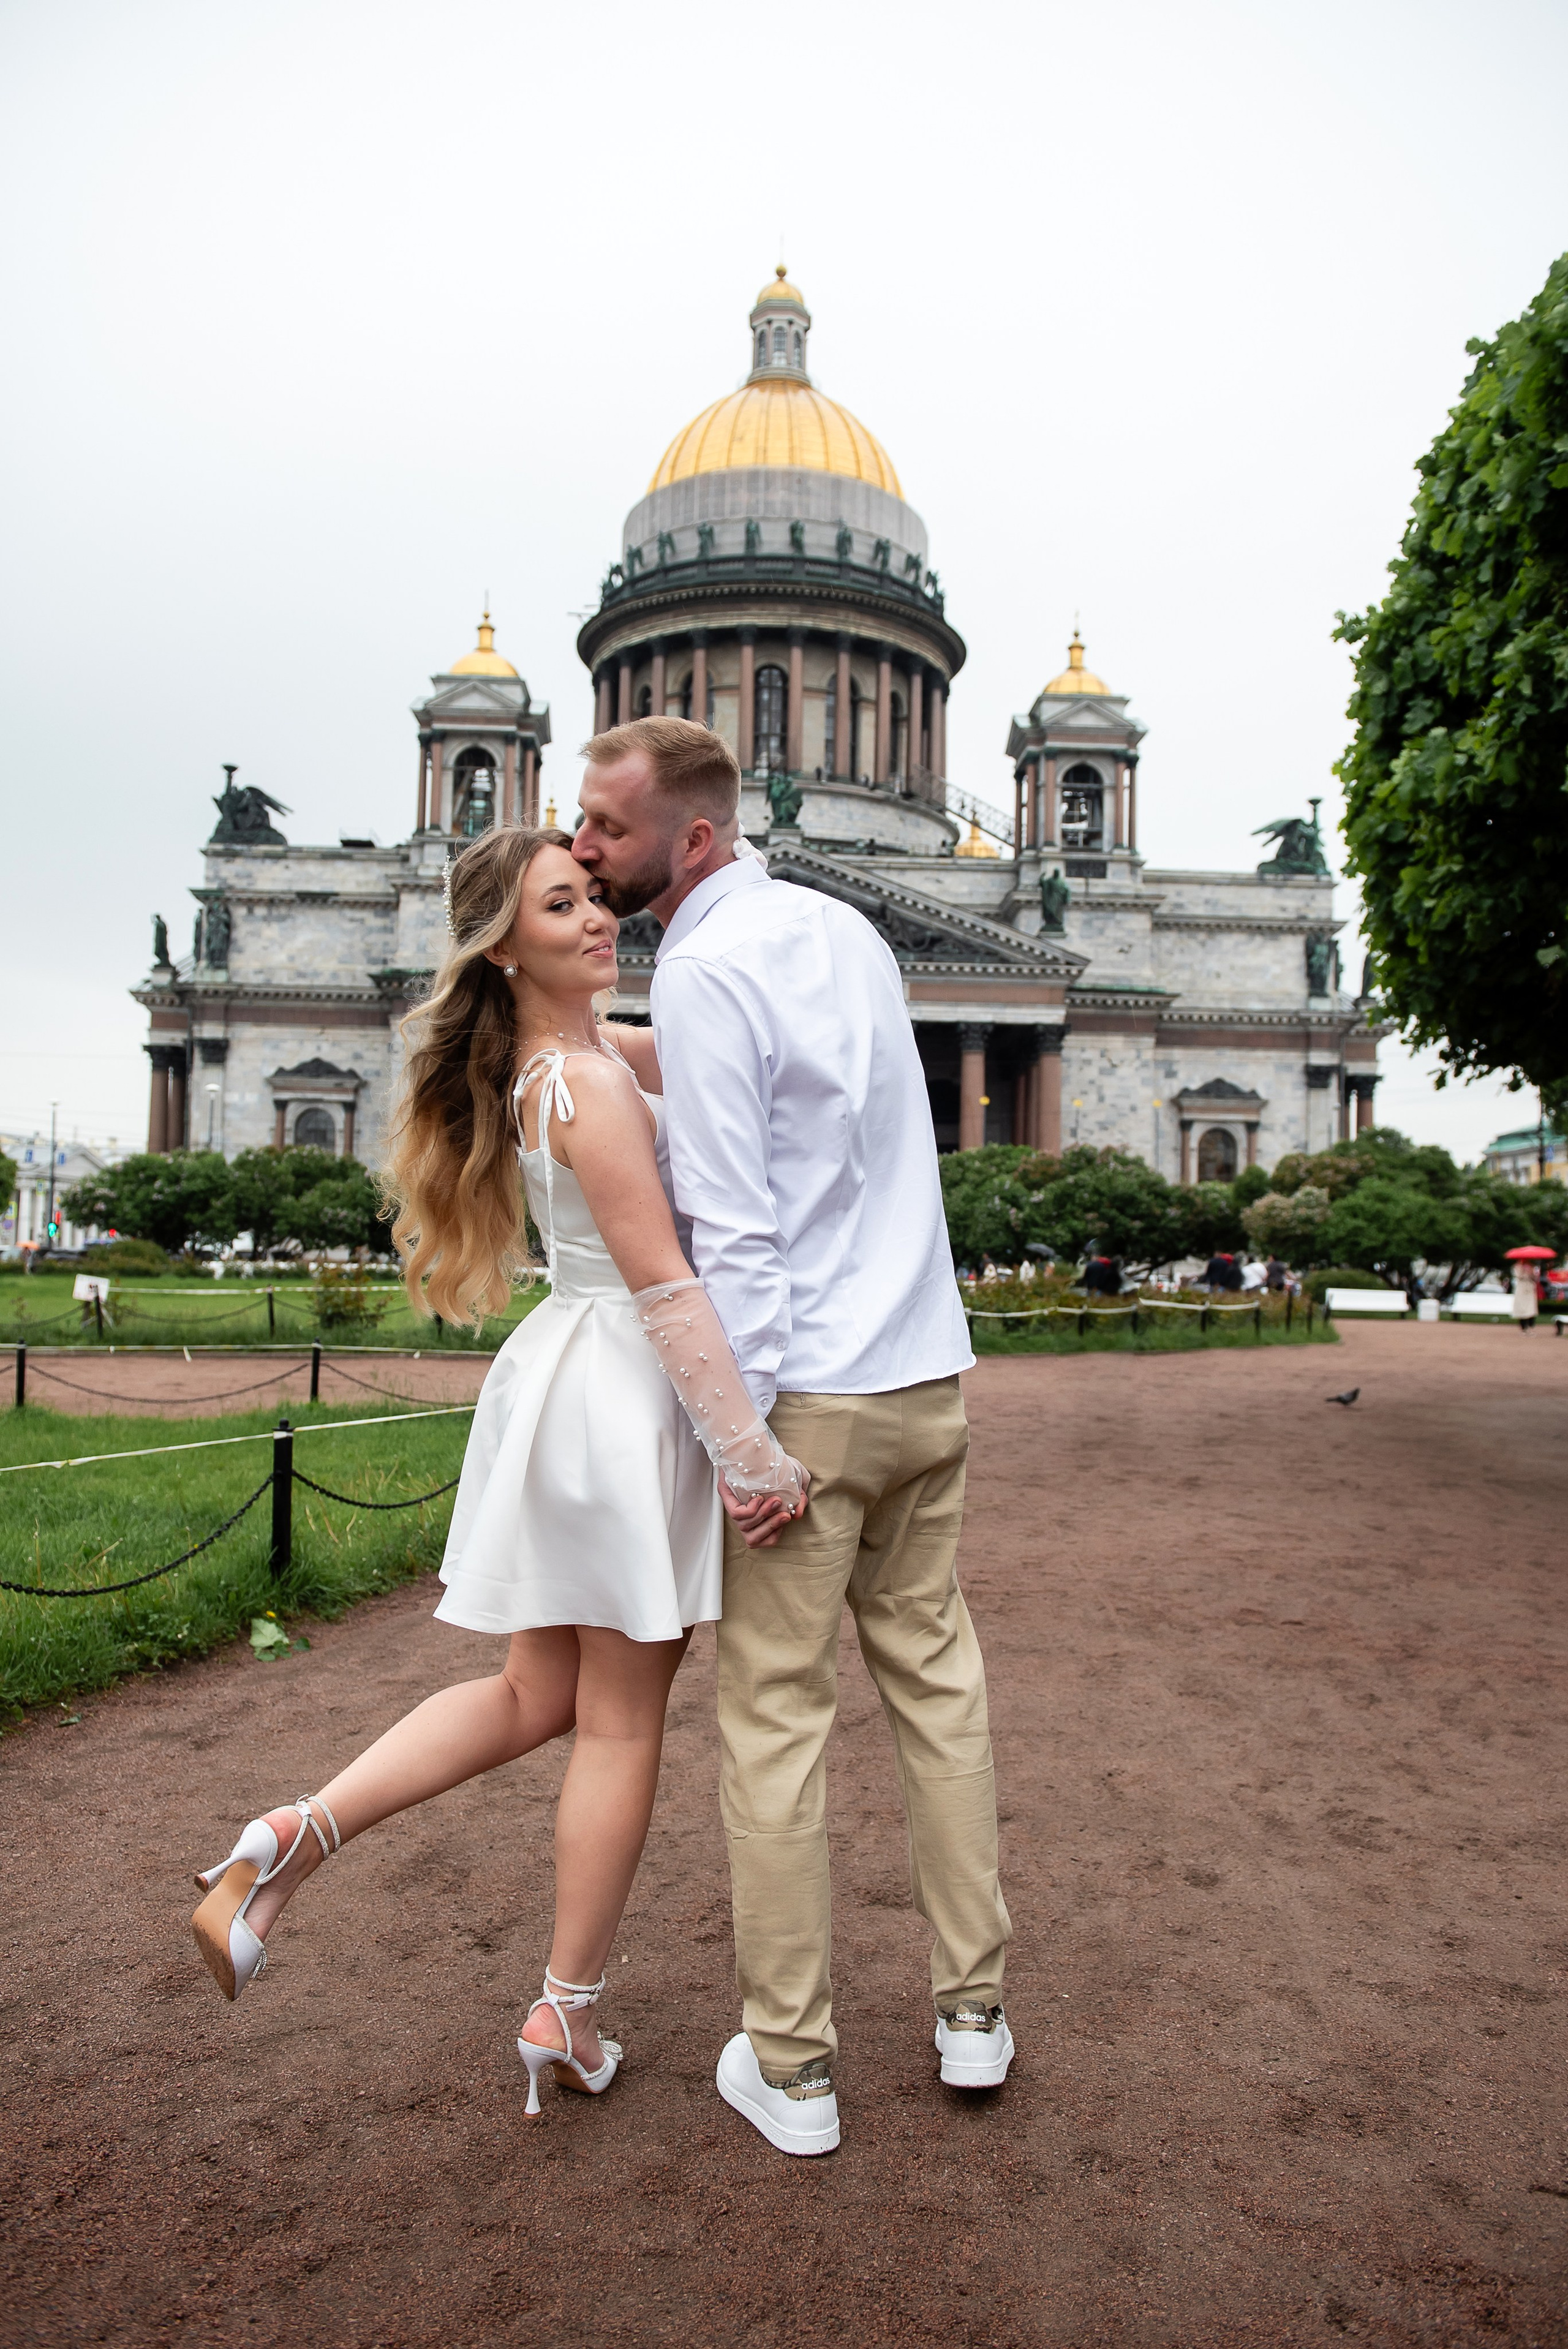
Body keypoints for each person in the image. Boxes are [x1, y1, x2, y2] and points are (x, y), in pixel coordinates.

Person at [189, 824, 806, 2117]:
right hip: (628, 1386)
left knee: (535, 1692)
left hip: (566, 1377)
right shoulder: (587, 1081)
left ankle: (292, 1836)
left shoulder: (564, 1062)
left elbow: (715, 1051)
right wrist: (749, 1457)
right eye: (562, 906)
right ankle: (565, 2010)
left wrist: (726, 867)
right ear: (505, 945)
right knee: (620, 1719)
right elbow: (666, 1285)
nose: (599, 919)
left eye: (597, 897)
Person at [574, 715, 1012, 2160]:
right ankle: (972, 2014)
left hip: (807, 1401)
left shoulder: (701, 969)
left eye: (607, 827)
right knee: (938, 1694)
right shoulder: (844, 931)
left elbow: (735, 1230)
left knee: (774, 1724)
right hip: (924, 1378)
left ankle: (795, 2067)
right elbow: (857, 1137)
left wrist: (740, 1440)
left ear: (692, 837)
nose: (582, 847)